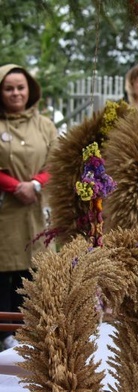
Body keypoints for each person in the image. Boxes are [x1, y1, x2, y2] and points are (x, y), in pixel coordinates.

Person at [0, 65, 57, 350]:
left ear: (30, 90)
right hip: (5, 211)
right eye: (8, 88)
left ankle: (29, 333)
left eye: (20, 87)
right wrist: (14, 186)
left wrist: (35, 184)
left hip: (36, 209)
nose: (15, 93)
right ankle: (3, 336)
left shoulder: (45, 125)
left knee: (32, 269)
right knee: (3, 271)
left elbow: (57, 161)